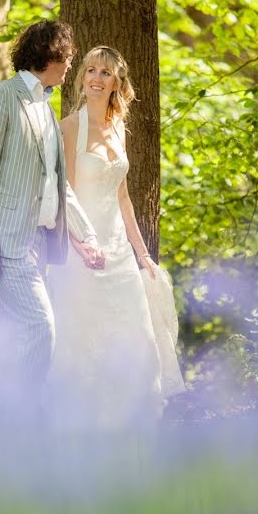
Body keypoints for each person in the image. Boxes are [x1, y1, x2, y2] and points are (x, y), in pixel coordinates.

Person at [0, 20, 105, 430]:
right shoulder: (0, 97)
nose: (72, 65)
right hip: (6, 244)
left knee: (14, 341)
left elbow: (59, 187)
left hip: (40, 243)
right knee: (41, 328)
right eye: (69, 57)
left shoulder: (46, 105)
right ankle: (19, 424)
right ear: (49, 55)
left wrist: (85, 238)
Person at [45, 46, 183, 430]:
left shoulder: (119, 127)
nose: (95, 77)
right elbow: (63, 195)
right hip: (81, 253)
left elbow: (122, 197)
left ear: (116, 82)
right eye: (90, 70)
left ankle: (134, 435)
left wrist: (141, 255)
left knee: (137, 341)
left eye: (105, 72)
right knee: (83, 346)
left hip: (120, 254)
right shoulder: (69, 127)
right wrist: (79, 245)